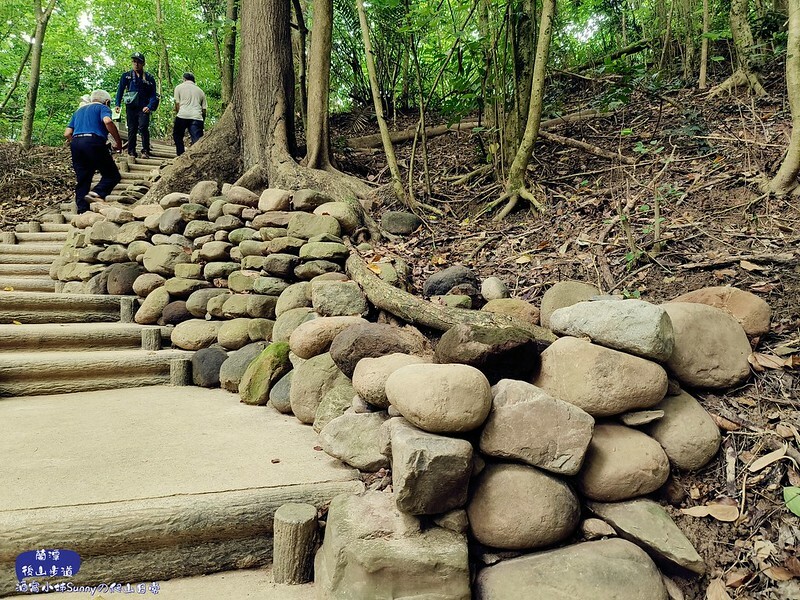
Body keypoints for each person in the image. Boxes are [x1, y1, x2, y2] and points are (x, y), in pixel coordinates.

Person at [64, 90, 122, 214]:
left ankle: (82, 211)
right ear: (107, 102)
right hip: (93, 141)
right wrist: (118, 141)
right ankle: (97, 193)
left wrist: (78, 142)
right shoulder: (103, 108)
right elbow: (108, 121)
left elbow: (67, 133)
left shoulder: (78, 111)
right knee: (112, 175)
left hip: (76, 144)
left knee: (83, 178)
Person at [114, 52, 158, 159]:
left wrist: (150, 106)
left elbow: (153, 95)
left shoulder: (149, 78)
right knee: (132, 128)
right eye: (134, 61)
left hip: (144, 107)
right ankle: (131, 151)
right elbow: (120, 90)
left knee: (143, 127)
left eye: (138, 62)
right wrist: (117, 104)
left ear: (143, 64)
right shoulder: (126, 76)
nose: (136, 64)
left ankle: (145, 150)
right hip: (131, 106)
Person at [172, 72, 207, 156]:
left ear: (184, 79)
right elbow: (204, 109)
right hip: (196, 116)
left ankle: (180, 155)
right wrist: (202, 121)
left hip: (182, 115)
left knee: (177, 135)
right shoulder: (200, 91)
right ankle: (196, 156)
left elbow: (177, 104)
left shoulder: (178, 88)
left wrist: (178, 113)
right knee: (197, 140)